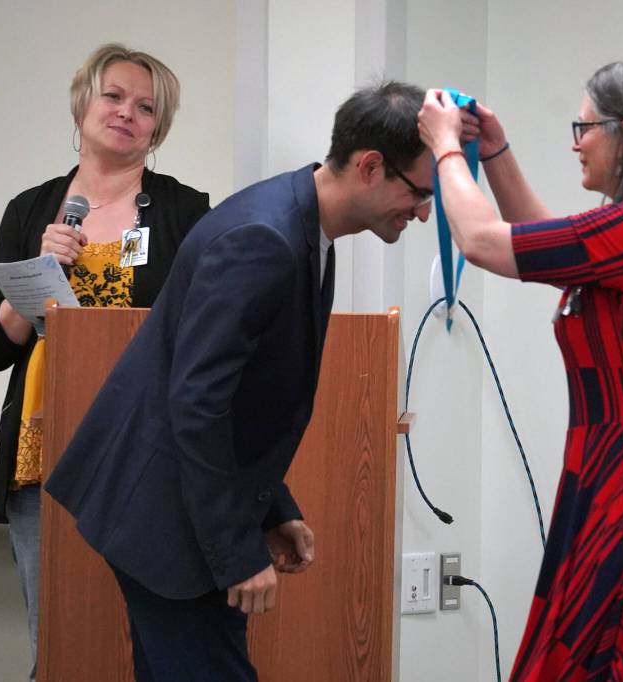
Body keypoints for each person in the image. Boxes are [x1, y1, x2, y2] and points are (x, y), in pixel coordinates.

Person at [43, 80, 432, 681]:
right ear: (370, 166)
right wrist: (235, 552)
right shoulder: (266, 238)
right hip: (165, 518)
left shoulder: (299, 225)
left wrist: (273, 507)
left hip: (176, 507)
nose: (424, 211)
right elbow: (198, 403)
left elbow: (245, 396)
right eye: (419, 192)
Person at [417, 62, 623, 680]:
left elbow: (484, 242)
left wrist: (444, 149)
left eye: (585, 126)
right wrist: (494, 154)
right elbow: (545, 243)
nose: (576, 141)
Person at [0, 43, 209, 681]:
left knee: (145, 649)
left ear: (158, 129)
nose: (128, 112)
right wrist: (40, 280)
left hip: (149, 458)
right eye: (114, 96)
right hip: (43, 457)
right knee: (60, 647)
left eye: (147, 107)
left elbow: (208, 329)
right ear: (83, 104)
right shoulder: (31, 211)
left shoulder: (186, 212)